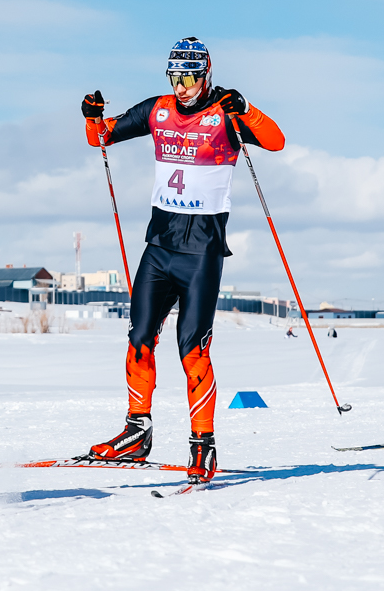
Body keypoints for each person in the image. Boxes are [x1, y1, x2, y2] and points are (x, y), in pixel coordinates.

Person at [79, 37, 284, 483]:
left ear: (206, 74)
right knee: (139, 339)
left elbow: (276, 141)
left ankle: (203, 445)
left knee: (192, 349)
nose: (183, 85)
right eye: (175, 77)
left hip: (202, 251)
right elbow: (103, 137)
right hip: (159, 246)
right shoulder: (158, 109)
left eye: (190, 77)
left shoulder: (226, 111)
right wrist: (92, 115)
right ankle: (135, 434)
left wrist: (246, 109)